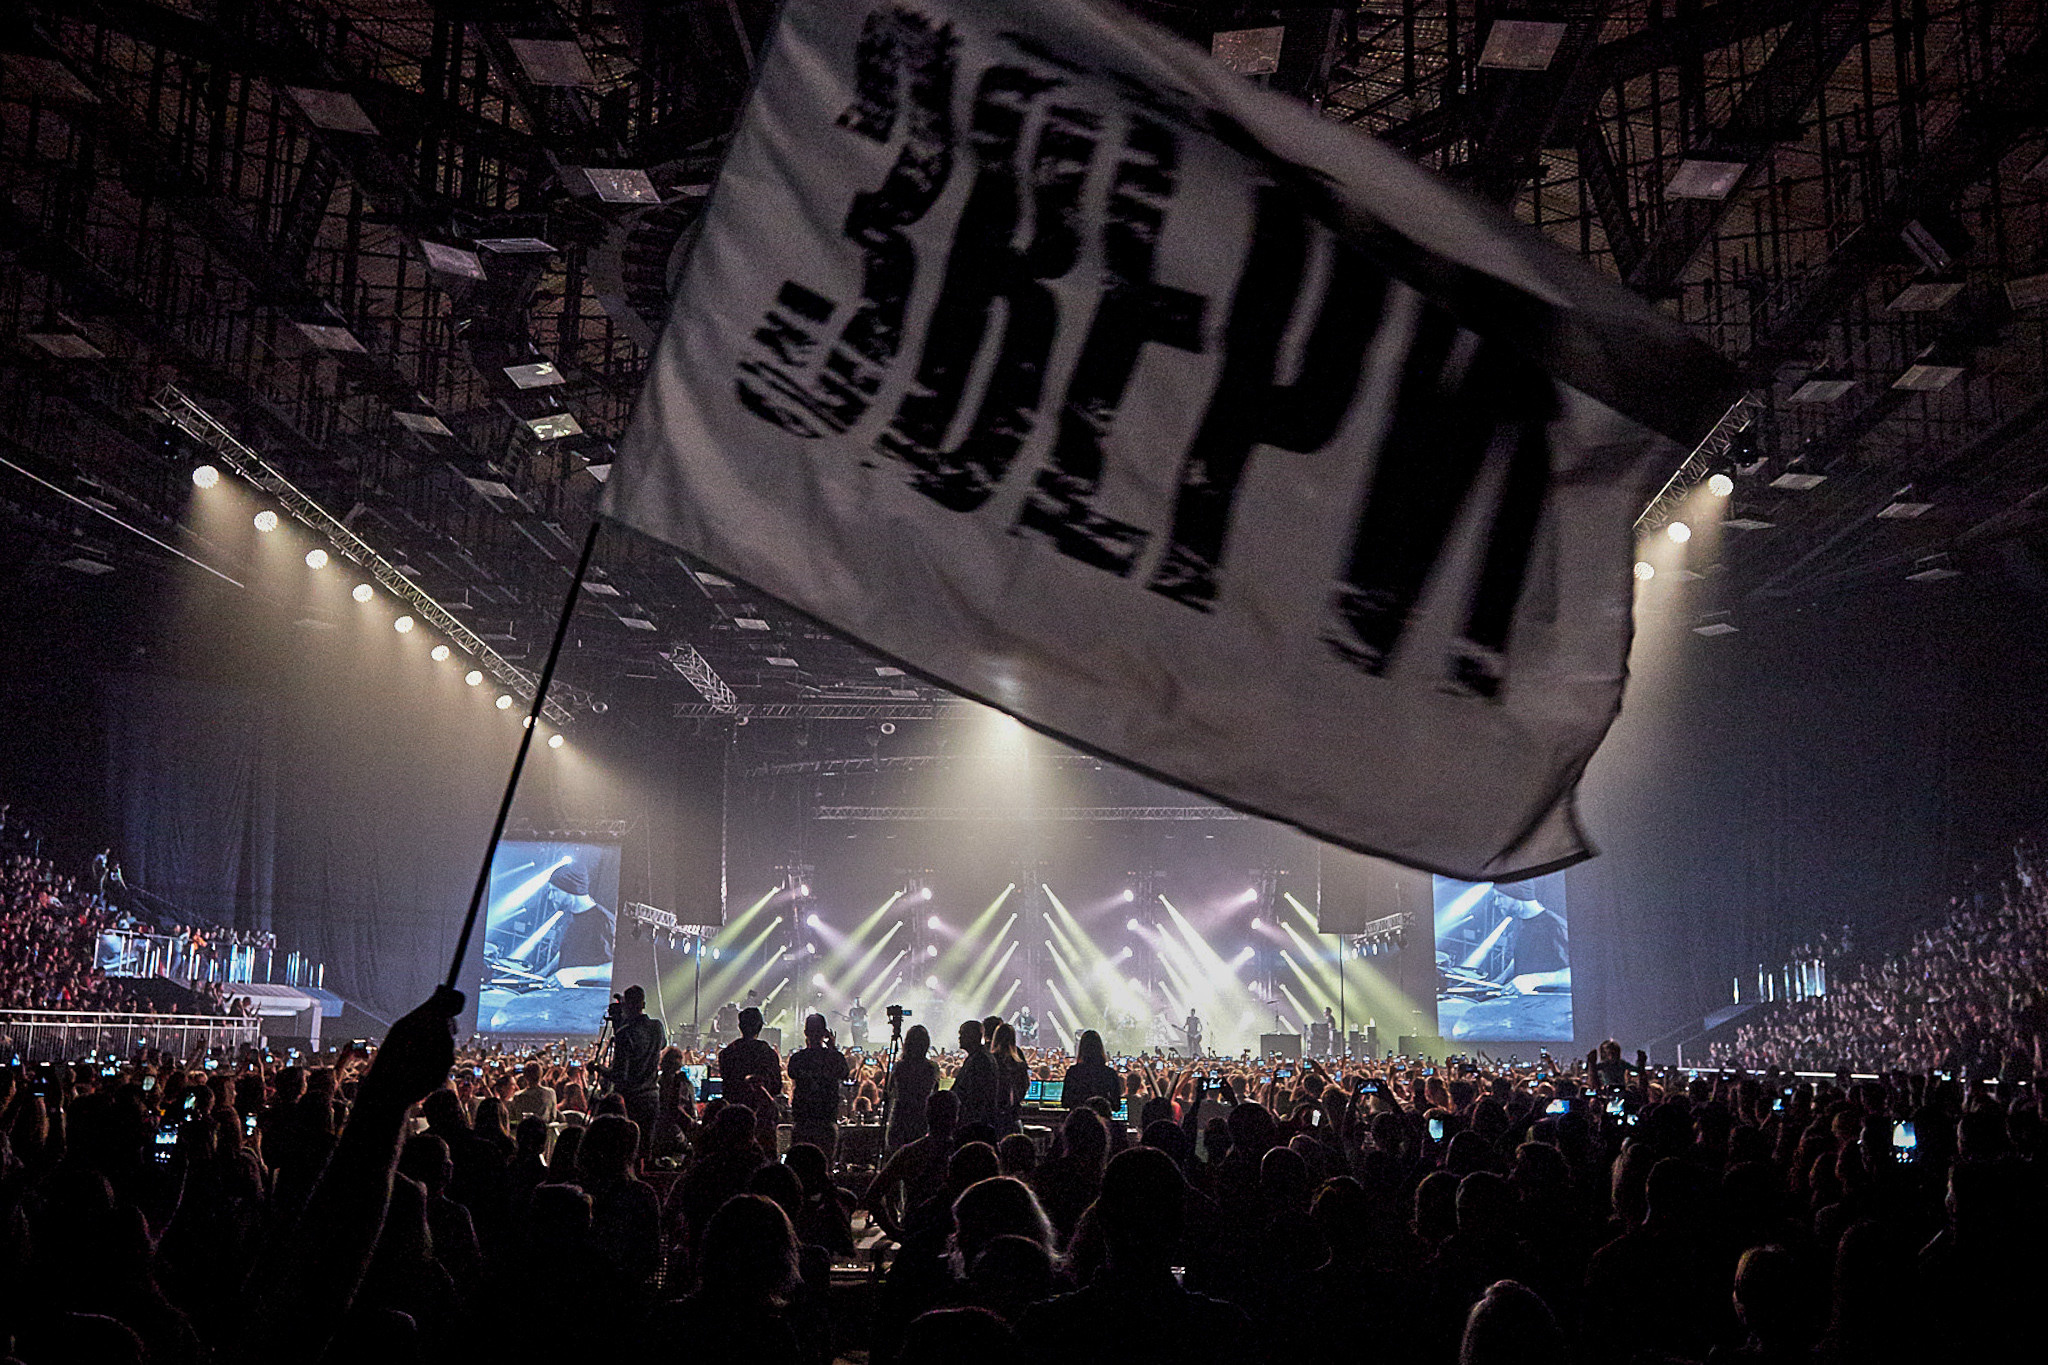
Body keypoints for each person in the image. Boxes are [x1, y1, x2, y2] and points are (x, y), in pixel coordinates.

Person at [599, 985, 665, 1145]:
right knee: (645, 1146)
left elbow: (620, 1074)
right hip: (652, 1097)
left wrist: (598, 1068)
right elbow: (662, 1045)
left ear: (625, 1006)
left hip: (631, 1100)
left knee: (626, 1146)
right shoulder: (657, 1027)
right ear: (643, 1004)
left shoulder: (625, 1034)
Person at [787, 1013, 850, 1159]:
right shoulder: (834, 1057)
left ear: (805, 1033)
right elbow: (844, 1073)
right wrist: (832, 1048)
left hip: (803, 1119)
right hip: (826, 1119)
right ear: (825, 1033)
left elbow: (792, 1073)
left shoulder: (797, 1058)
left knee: (800, 1162)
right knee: (825, 1162)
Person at [885, 1023, 939, 1150]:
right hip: (921, 1117)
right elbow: (934, 1092)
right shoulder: (931, 1068)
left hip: (900, 1117)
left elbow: (890, 1090)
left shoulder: (899, 1066)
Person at [951, 1019, 999, 1130]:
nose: (959, 1038)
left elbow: (975, 1093)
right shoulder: (978, 1056)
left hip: (975, 1121)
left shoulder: (980, 1059)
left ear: (972, 1036)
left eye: (962, 1034)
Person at [1060, 1030, 1123, 1111]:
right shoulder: (1110, 1073)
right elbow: (1116, 1106)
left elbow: (1065, 1103)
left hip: (1078, 1120)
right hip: (1100, 1121)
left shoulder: (1073, 1072)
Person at [989, 1022, 1029, 1133]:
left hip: (994, 1113)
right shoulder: (1018, 1056)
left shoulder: (992, 1058)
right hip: (1013, 1113)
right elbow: (1025, 1083)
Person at [507, 1061, 558, 1125]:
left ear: (525, 1076)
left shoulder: (518, 1096)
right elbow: (553, 1116)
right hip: (544, 1131)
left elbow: (513, 1117)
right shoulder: (550, 1093)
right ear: (541, 1074)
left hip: (524, 1131)